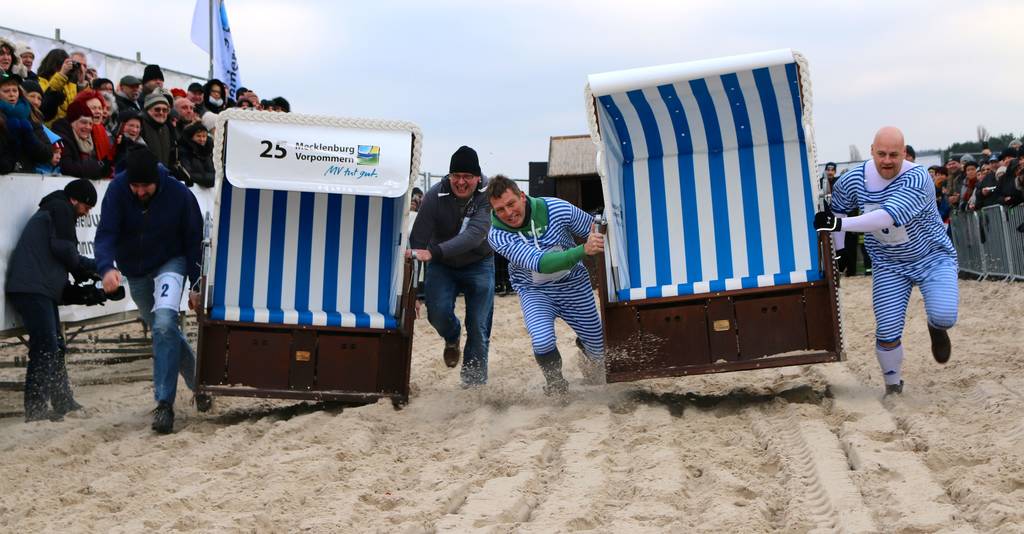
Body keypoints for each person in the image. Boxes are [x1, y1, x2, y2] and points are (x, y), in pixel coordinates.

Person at [814, 126, 957, 396]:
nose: (887, 161)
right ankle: (893, 385)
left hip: (931, 256)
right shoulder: (853, 179)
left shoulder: (917, 178)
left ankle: (936, 328)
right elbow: (839, 208)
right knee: (888, 328)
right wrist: (841, 249)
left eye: (894, 154)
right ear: (871, 151)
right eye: (881, 154)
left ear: (904, 154)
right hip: (888, 263)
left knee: (945, 315)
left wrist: (838, 224)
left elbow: (886, 216)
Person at [95, 149, 208, 433]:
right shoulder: (118, 190)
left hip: (171, 260)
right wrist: (106, 267)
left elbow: (194, 239)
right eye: (135, 186)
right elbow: (106, 232)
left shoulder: (179, 194)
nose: (140, 191)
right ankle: (201, 382)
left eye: (145, 186)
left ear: (157, 179)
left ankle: (164, 404)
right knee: (162, 329)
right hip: (135, 268)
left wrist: (195, 285)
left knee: (165, 322)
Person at [486, 175, 606, 394]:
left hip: (574, 285)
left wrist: (598, 233)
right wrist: (583, 250)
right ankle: (556, 383)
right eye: (500, 210)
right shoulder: (497, 235)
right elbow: (541, 263)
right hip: (534, 290)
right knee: (542, 341)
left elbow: (593, 229)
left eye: (511, 204)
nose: (508, 213)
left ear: (522, 196)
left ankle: (586, 345)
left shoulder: (557, 209)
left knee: (600, 351)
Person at [6, 180, 99, 422]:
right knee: (46, 346)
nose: (86, 213)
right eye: (86, 207)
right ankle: (36, 408)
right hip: (32, 289)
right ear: (74, 200)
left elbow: (57, 273)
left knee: (54, 344)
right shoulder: (60, 209)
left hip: (36, 289)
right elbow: (67, 253)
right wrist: (94, 268)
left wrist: (88, 293)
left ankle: (62, 400)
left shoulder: (54, 211)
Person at [407, 146, 494, 387]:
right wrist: (411, 292)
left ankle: (472, 384)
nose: (461, 182)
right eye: (455, 175)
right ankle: (452, 336)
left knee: (478, 325)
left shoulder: (488, 196)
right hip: (442, 266)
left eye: (467, 176)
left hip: (479, 262)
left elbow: (474, 236)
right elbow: (417, 241)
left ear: (478, 177)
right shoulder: (435, 196)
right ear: (448, 176)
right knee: (436, 313)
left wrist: (433, 252)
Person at [178, 122, 215, 187]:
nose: (202, 139)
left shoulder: (208, 152)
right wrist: (211, 179)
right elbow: (188, 174)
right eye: (198, 136)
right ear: (191, 137)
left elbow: (213, 170)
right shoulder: (184, 152)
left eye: (204, 136)